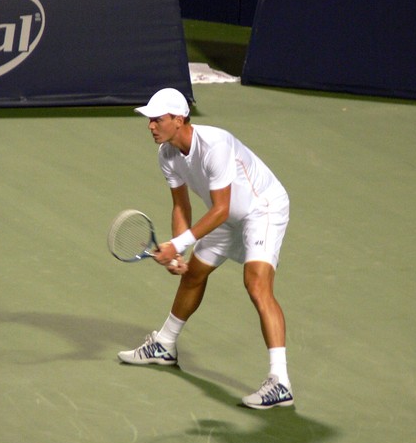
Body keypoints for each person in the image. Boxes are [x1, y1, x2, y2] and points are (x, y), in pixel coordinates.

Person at [117, 88, 294, 410]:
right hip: (224, 216)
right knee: (194, 273)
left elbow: (221, 209)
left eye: (157, 119)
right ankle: (165, 345)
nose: (150, 126)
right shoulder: (167, 155)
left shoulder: (215, 144)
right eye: (149, 120)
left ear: (179, 119)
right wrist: (179, 252)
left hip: (262, 208)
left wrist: (176, 244)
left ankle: (280, 381)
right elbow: (181, 206)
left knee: (256, 284)